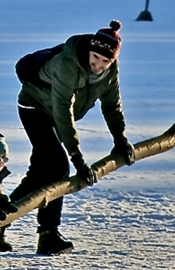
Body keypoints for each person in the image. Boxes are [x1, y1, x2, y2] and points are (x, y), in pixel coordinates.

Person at [8, 20, 136, 255]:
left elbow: (112, 106)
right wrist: (76, 156)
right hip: (35, 108)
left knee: (41, 172)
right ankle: (48, 233)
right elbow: (63, 111)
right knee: (58, 166)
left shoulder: (109, 72)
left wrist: (120, 139)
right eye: (95, 57)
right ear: (89, 51)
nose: (98, 65)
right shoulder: (66, 64)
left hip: (56, 114)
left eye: (105, 61)